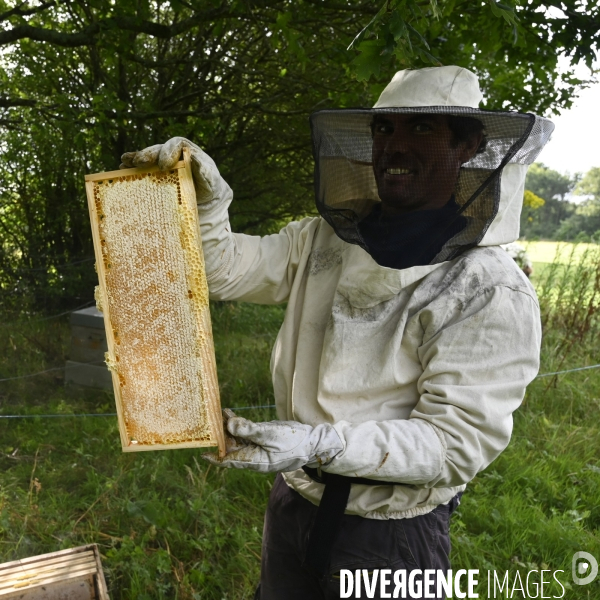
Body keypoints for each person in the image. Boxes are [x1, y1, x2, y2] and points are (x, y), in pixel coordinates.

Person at [120, 66, 554, 600]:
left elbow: (454, 445)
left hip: (389, 534)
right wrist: (208, 204)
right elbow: (224, 268)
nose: (394, 145)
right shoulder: (326, 237)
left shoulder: (486, 288)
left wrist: (319, 441)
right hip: (295, 498)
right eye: (383, 129)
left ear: (467, 145)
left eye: (420, 130)